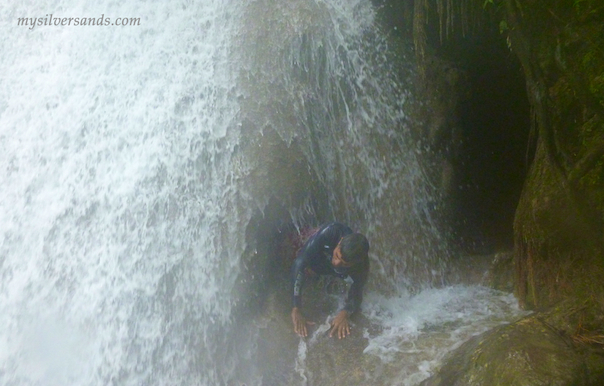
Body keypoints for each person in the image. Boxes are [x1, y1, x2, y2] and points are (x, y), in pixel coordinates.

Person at [290, 222, 369, 339]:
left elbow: (357, 291)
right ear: (340, 242)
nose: (336, 263)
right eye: (337, 255)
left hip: (325, 266)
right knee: (291, 249)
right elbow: (299, 262)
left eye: (343, 263)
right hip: (316, 248)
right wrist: (296, 307)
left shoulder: (361, 265)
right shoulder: (330, 233)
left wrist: (345, 313)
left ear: (353, 263)